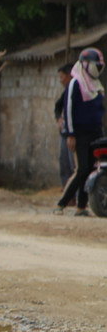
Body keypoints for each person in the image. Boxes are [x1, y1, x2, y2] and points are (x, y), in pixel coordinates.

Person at [55, 47, 106, 215]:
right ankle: (61, 203)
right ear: (85, 65)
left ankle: (81, 207)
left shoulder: (96, 85)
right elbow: (68, 109)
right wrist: (70, 134)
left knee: (92, 169)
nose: (97, 69)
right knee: (81, 169)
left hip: (95, 133)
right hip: (79, 134)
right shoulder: (75, 83)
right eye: (95, 66)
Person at [54, 62, 74, 186]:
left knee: (74, 164)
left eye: (62, 77)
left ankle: (77, 194)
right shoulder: (66, 91)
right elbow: (57, 106)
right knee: (64, 161)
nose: (61, 80)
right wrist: (59, 119)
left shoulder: (77, 90)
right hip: (66, 131)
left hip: (74, 132)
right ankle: (68, 192)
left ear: (69, 76)